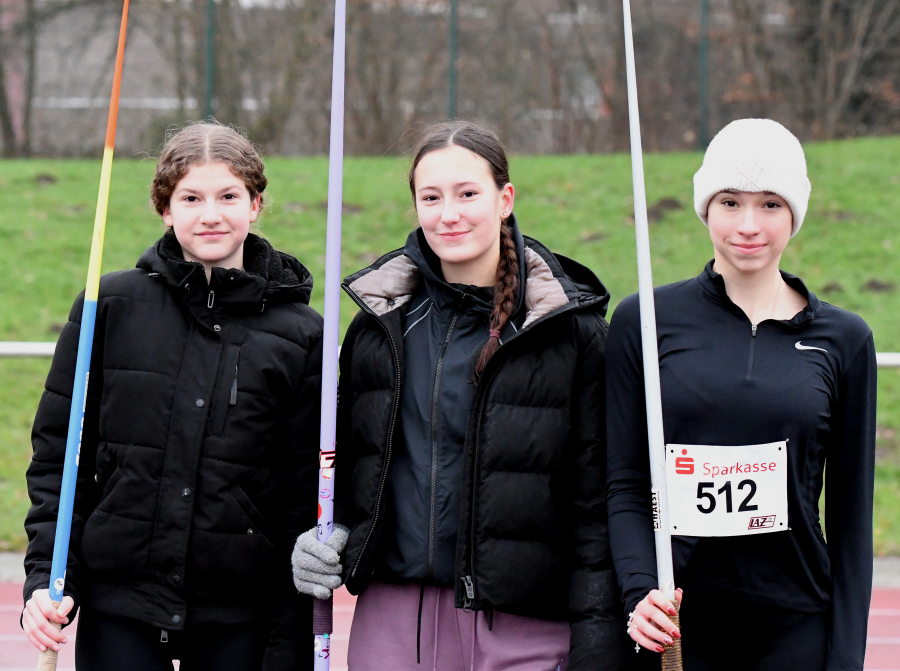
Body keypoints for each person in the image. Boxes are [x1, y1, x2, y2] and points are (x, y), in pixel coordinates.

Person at [291, 120, 631, 670]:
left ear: (505, 198)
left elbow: (595, 504)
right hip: (395, 623)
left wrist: (598, 639)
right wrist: (325, 539)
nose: (448, 214)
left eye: (467, 193)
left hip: (524, 627)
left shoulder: (571, 331)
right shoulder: (378, 328)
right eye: (431, 197)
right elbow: (352, 476)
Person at [21, 121, 323, 671]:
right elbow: (59, 458)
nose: (211, 214)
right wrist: (46, 577)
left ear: (255, 204)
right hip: (122, 607)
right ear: (166, 207)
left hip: (238, 615)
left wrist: (287, 642)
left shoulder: (302, 335)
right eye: (191, 197)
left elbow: (301, 496)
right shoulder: (108, 306)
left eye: (228, 196)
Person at [605, 118, 876, 670]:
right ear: (706, 208)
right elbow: (627, 483)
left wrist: (845, 658)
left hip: (796, 626)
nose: (748, 225)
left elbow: (851, 520)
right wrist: (639, 595)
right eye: (730, 202)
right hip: (677, 631)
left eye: (770, 205)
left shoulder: (844, 340)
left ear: (795, 213)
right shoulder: (644, 321)